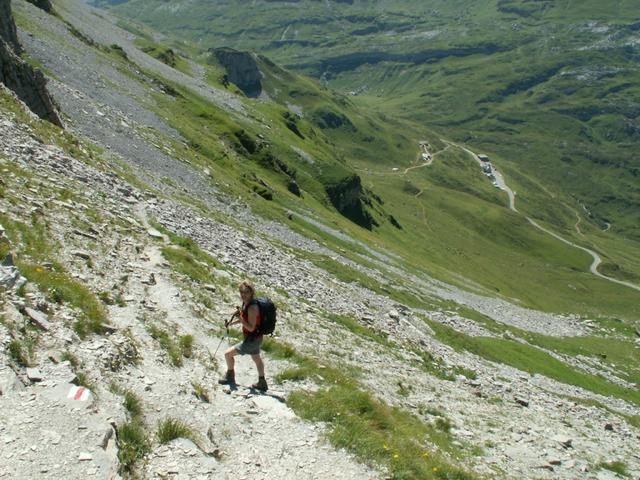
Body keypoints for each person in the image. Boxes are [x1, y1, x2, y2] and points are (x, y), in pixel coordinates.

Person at [218, 281, 268, 391]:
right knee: (257, 358)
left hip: (251, 340)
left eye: (246, 292)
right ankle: (262, 382)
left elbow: (251, 327)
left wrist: (240, 319)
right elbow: (246, 320)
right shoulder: (248, 304)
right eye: (241, 292)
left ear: (251, 292)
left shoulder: (252, 308)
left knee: (227, 354)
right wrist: (232, 323)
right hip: (256, 338)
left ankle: (230, 377)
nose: (243, 294)